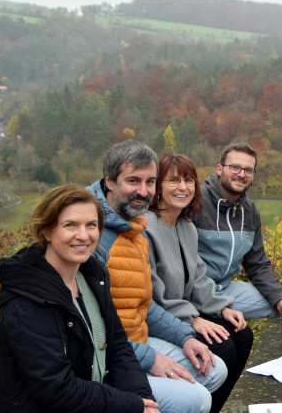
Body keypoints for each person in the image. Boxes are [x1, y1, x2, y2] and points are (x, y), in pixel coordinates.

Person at [0, 185, 159, 412]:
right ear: (47, 232)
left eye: (91, 225)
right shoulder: (27, 302)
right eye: (70, 225)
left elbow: (118, 345)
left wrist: (144, 399)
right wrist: (133, 404)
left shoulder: (91, 275)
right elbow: (57, 390)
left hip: (92, 396)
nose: (83, 235)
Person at [88, 140, 227, 413]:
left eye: (149, 181)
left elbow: (144, 302)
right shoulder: (93, 235)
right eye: (133, 181)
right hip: (108, 357)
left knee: (214, 369)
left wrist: (185, 336)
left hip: (137, 338)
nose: (143, 191)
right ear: (110, 181)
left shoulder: (133, 227)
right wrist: (150, 360)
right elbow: (93, 330)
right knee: (198, 399)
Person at [146, 153, 254, 413]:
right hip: (161, 321)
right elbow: (151, 296)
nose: (183, 187)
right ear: (158, 185)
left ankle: (219, 407)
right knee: (223, 348)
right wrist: (193, 319)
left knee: (242, 334)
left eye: (188, 180)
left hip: (185, 312)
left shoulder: (186, 227)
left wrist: (222, 308)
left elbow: (197, 278)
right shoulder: (147, 228)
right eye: (173, 180)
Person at [192, 142, 282, 319]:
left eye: (248, 170)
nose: (241, 175)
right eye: (235, 167)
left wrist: (278, 298)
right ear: (220, 169)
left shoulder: (249, 211)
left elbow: (256, 262)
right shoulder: (196, 202)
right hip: (195, 291)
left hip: (226, 289)